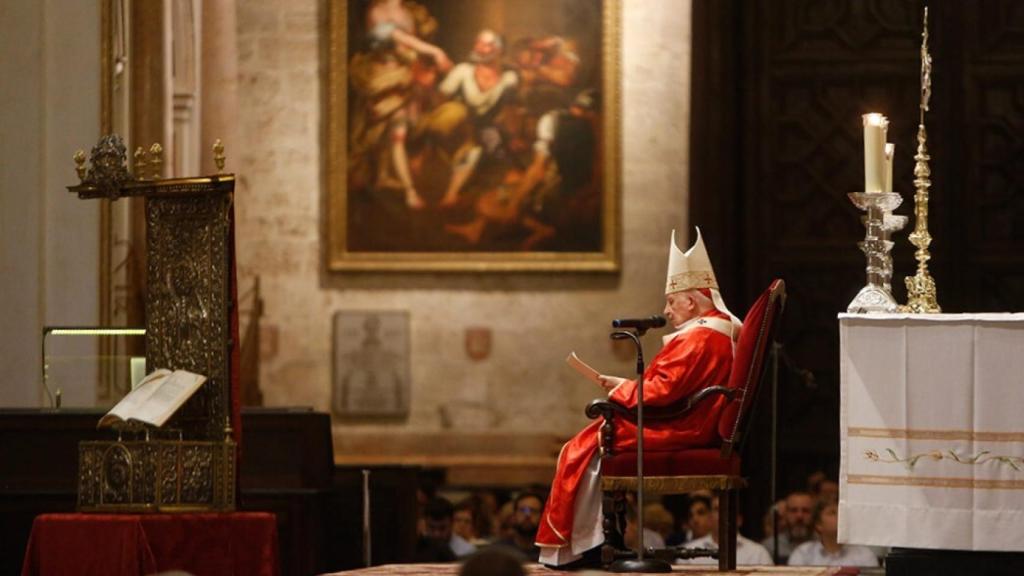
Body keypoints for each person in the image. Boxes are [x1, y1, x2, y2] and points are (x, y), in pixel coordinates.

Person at [536, 228, 743, 567]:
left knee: (585, 447)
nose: (667, 309)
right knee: (589, 443)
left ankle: (583, 545)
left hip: (681, 426)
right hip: (690, 419)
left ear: (690, 302)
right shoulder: (713, 332)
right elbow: (670, 386)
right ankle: (595, 540)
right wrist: (624, 384)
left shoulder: (697, 338)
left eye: (671, 301)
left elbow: (662, 390)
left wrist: (620, 390)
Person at [678, 496, 773, 566]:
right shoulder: (689, 552)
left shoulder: (758, 553)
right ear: (710, 517)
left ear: (739, 520)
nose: (723, 514)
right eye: (717, 509)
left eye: (728, 509)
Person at [788, 499, 878, 567]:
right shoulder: (802, 554)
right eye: (833, 512)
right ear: (818, 524)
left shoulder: (864, 555)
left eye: (842, 512)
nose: (840, 516)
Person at [761, 491, 815, 564]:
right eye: (794, 510)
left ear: (814, 514)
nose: (799, 516)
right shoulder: (770, 546)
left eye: (805, 511)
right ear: (786, 513)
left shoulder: (822, 544)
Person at [494, 492, 544, 561]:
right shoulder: (500, 551)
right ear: (514, 515)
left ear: (542, 516)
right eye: (522, 510)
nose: (527, 515)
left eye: (533, 511)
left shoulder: (549, 553)